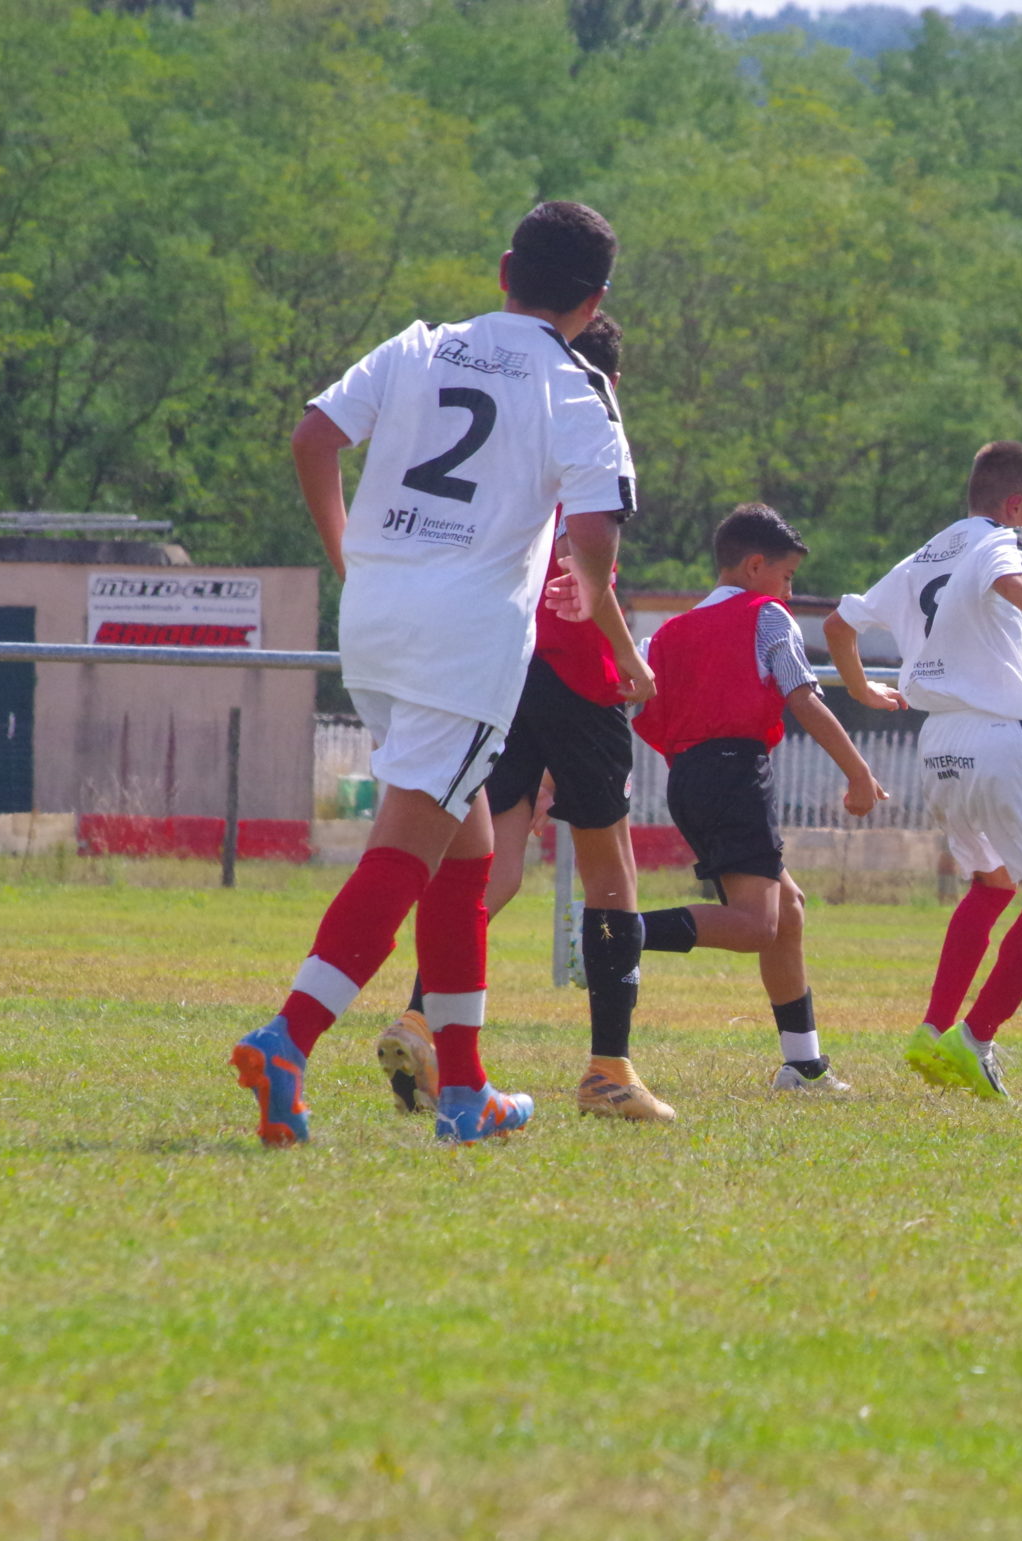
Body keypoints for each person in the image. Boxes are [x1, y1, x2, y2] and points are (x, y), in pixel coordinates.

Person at [232, 201, 649, 1147]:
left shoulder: (418, 345)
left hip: (376, 622)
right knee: (406, 852)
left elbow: (313, 438)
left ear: (504, 270)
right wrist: (606, 618)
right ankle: (287, 1038)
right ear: (593, 303)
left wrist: (352, 559)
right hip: (465, 643)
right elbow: (593, 532)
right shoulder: (579, 385)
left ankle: (466, 1092)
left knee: (465, 860)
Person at [373, 311, 674, 1125]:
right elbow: (585, 568)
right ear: (609, 378)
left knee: (492, 866)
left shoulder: (512, 418)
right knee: (612, 873)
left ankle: (418, 1021)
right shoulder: (587, 420)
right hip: (574, 669)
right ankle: (609, 1070)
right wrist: (631, 658)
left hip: (504, 663)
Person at [823, 441, 1022, 1101]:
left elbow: (839, 625)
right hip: (999, 733)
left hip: (939, 742)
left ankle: (933, 1030)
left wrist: (862, 690)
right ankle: (974, 1039)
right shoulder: (1001, 540)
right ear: (1014, 507)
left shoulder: (927, 553)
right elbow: (1009, 573)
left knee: (992, 884)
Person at [634, 504, 888, 1090]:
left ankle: (803, 1066)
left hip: (688, 778)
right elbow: (803, 698)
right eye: (787, 576)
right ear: (754, 567)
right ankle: (615, 931)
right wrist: (857, 773)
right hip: (735, 773)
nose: (789, 592)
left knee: (788, 912)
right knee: (755, 926)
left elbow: (641, 708)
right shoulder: (767, 616)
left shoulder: (667, 634)